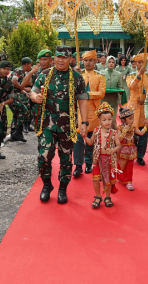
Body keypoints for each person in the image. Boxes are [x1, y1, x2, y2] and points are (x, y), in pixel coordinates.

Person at [30, 51, 89, 204]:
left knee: (66, 158)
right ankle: (47, 185)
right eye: (58, 57)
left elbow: (83, 100)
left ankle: (63, 188)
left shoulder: (76, 77)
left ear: (70, 59)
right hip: (46, 124)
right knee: (44, 157)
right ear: (54, 58)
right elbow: (33, 91)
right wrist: (35, 97)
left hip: (67, 125)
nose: (61, 60)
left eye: (64, 57)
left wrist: (84, 122)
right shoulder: (45, 74)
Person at [72, 50, 106, 177]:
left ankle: (89, 164)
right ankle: (78, 166)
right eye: (85, 60)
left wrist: (86, 95)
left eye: (90, 60)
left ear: (95, 61)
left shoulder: (100, 76)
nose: (88, 62)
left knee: (92, 140)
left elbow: (101, 93)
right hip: (81, 112)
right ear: (82, 61)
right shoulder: (77, 75)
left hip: (95, 112)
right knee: (79, 139)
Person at [84, 103, 122, 208]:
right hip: (97, 159)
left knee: (108, 180)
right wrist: (84, 137)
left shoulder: (114, 133)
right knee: (96, 179)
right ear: (99, 120)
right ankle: (97, 196)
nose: (107, 122)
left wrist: (112, 150)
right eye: (104, 120)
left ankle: (107, 197)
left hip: (109, 160)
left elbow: (118, 146)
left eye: (109, 119)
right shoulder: (96, 131)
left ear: (112, 119)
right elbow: (90, 143)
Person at [127, 53, 148, 166]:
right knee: (132, 133)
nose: (141, 64)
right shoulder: (131, 76)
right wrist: (139, 75)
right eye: (138, 62)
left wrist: (147, 101)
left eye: (143, 62)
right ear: (135, 63)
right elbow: (131, 86)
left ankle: (140, 156)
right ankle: (130, 154)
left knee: (144, 133)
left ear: (146, 62)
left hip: (145, 109)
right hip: (133, 108)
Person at [21, 50, 54, 132]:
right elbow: (23, 85)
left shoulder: (55, 71)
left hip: (51, 107)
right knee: (40, 132)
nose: (42, 62)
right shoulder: (37, 72)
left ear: (51, 60)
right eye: (40, 59)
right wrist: (31, 73)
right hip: (38, 107)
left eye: (45, 59)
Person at [117, 107, 147, 190]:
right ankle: (121, 178)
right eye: (130, 119)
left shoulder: (132, 127)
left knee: (130, 166)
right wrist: (124, 131)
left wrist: (146, 127)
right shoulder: (119, 128)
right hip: (122, 149)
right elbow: (118, 140)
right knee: (121, 165)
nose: (132, 120)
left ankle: (129, 181)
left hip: (131, 150)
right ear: (123, 120)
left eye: (132, 118)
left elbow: (141, 133)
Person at [9, 57, 33, 141]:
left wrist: (24, 93)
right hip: (11, 95)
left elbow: (16, 87)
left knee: (16, 113)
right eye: (31, 64)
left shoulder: (20, 71)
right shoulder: (19, 70)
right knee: (24, 110)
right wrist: (25, 89)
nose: (31, 66)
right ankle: (18, 132)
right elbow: (14, 81)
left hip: (13, 94)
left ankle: (13, 134)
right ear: (27, 64)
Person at [101, 55, 123, 128]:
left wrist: (120, 101)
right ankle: (103, 137)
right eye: (109, 62)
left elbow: (120, 87)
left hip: (114, 100)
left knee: (112, 120)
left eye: (113, 62)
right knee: (103, 119)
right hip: (103, 99)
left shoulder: (118, 74)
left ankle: (113, 137)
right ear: (107, 63)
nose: (111, 63)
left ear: (115, 64)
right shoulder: (101, 73)